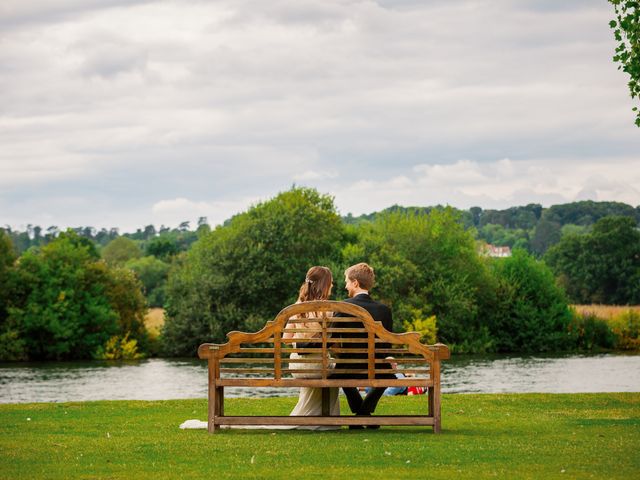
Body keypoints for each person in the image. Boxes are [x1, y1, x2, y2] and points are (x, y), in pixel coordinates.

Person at [329, 262, 395, 429]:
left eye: (347, 281)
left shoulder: (343, 307)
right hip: (376, 367)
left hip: (348, 368)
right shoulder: (384, 310)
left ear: (355, 283)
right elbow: (387, 343)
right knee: (387, 373)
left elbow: (330, 338)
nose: (345, 286)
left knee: (341, 372)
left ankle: (361, 415)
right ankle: (364, 413)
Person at [282, 266, 340, 423]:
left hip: (297, 366)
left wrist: (301, 342)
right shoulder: (329, 309)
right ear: (324, 285)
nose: (333, 286)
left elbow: (286, 339)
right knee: (334, 370)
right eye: (331, 283)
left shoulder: (296, 307)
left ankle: (308, 417)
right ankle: (326, 421)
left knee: (321, 366)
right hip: (319, 367)